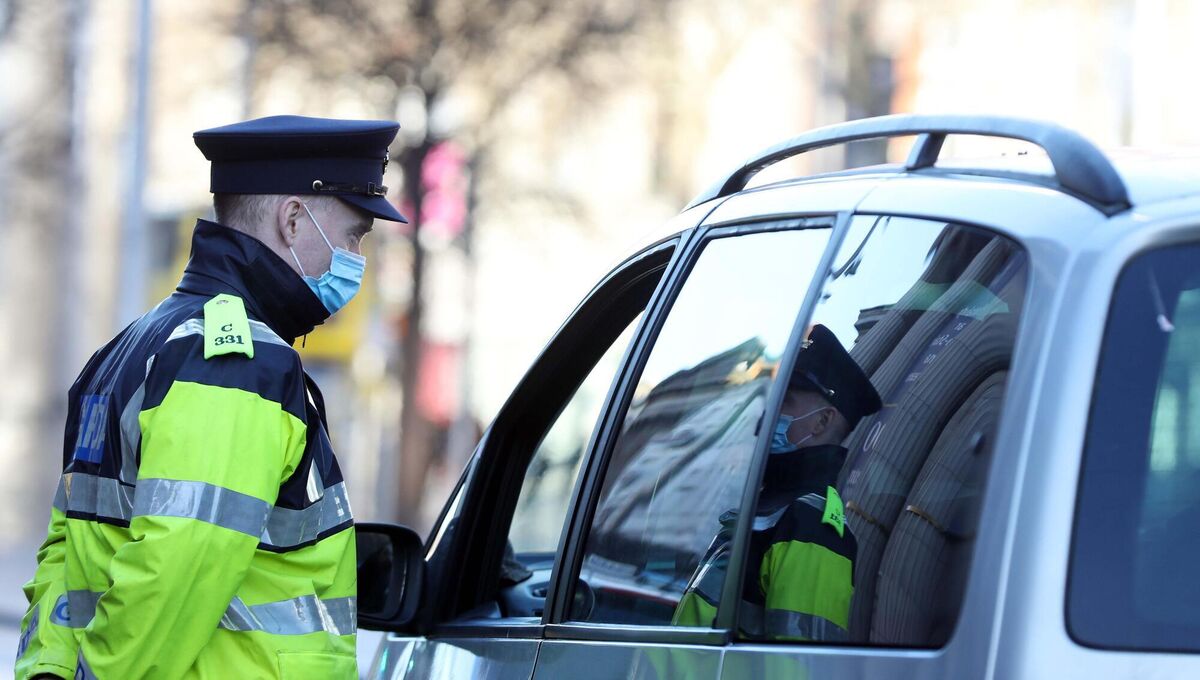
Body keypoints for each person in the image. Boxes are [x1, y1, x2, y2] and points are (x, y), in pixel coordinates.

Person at [14, 115, 408, 680]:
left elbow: (64, 554)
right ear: (294, 219)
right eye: (352, 235)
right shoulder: (237, 365)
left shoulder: (135, 344)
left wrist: (49, 671)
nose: (356, 259)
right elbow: (177, 569)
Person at [672, 324, 882, 642]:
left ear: (823, 421)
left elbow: (793, 666)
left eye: (785, 401)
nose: (769, 413)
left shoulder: (813, 526)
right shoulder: (776, 507)